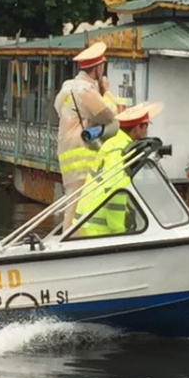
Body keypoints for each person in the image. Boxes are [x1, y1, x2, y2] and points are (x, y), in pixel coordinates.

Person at [72, 101, 163, 237]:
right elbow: (115, 193)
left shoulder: (113, 143)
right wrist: (119, 232)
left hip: (88, 222)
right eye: (145, 127)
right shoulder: (123, 151)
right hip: (100, 229)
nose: (146, 132)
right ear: (138, 128)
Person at [54, 42, 119, 226]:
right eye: (103, 67)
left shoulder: (67, 87)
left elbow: (58, 108)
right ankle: (70, 244)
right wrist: (106, 91)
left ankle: (69, 240)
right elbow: (110, 115)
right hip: (83, 155)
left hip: (66, 153)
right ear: (98, 68)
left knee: (72, 199)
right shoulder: (87, 90)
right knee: (79, 206)